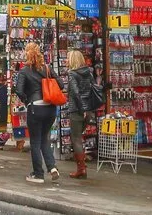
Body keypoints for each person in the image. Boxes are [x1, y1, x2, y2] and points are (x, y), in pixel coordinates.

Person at [15, 42, 59, 184]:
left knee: (35, 141)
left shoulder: (24, 71)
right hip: (50, 108)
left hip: (35, 108)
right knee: (44, 139)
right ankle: (52, 167)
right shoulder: (47, 68)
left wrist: (27, 100)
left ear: (26, 53)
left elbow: (19, 90)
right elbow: (62, 84)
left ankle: (38, 174)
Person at [65, 49, 99, 179]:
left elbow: (75, 92)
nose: (66, 61)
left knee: (76, 139)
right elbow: (94, 87)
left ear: (73, 60)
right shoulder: (88, 72)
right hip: (89, 109)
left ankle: (81, 168)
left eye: (68, 58)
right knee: (79, 137)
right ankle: (82, 166)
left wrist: (81, 109)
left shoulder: (72, 74)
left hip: (77, 110)